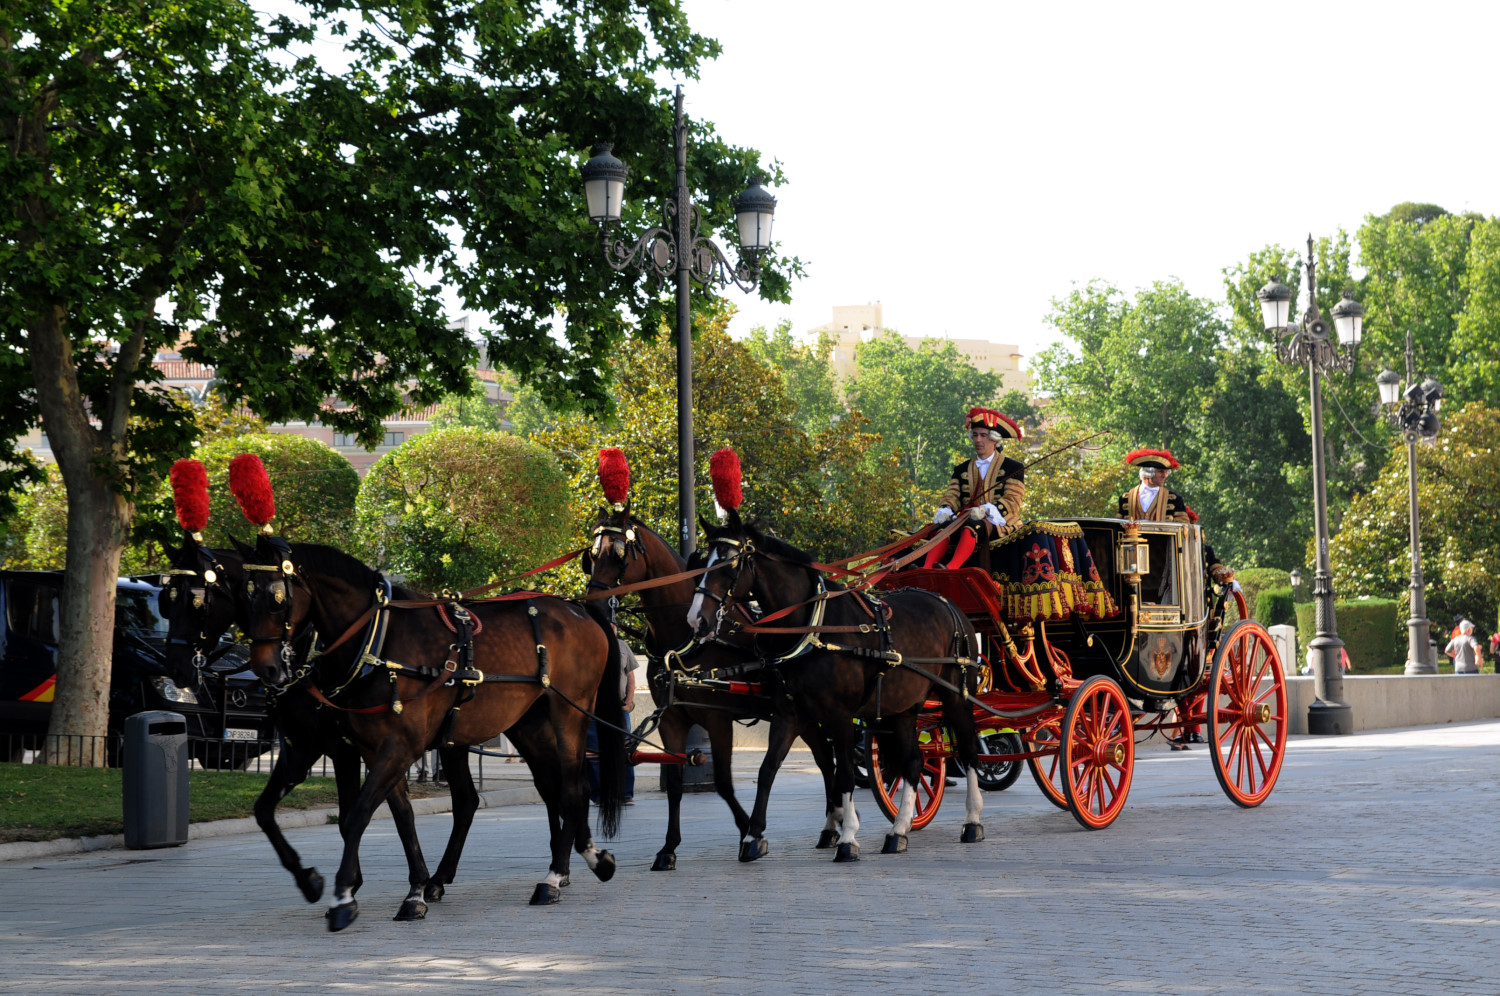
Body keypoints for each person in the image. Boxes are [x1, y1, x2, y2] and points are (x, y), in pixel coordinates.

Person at [922, 406, 1025, 570]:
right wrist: (946, 509)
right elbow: (952, 496)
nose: (978, 440)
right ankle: (926, 568)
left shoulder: (1013, 467)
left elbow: (1013, 501)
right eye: (975, 435)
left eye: (983, 435)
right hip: (964, 518)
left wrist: (985, 511)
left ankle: (952, 567)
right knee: (945, 527)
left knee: (973, 524)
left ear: (995, 440)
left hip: (1000, 523)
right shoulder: (961, 469)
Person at [587, 626, 639, 803]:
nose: (610, 629)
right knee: (594, 752)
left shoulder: (623, 646)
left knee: (624, 750)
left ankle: (625, 793)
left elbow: (630, 676)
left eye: (612, 626)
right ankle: (599, 795)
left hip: (618, 708)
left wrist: (628, 702)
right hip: (594, 710)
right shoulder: (588, 644)